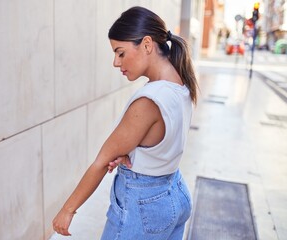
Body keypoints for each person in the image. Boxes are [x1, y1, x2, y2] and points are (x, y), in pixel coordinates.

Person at [52, 6, 198, 239]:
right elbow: (162, 141)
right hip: (174, 192)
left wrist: (67, 210)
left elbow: (101, 162)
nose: (116, 63)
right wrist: (137, 155)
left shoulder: (149, 100)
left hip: (143, 206)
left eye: (120, 53)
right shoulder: (182, 83)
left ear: (147, 44)